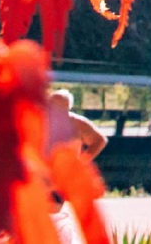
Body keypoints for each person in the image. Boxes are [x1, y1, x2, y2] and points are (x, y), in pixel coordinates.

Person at [46, 89, 107, 244]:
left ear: (67, 107)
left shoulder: (77, 123)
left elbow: (99, 140)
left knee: (53, 214)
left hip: (62, 178)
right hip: (43, 177)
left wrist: (82, 161)